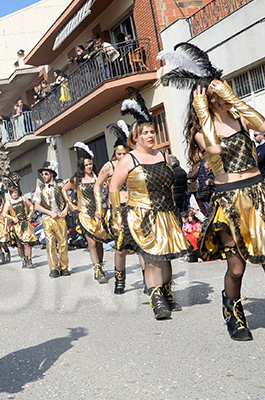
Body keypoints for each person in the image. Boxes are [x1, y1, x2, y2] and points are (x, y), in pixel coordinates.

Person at [167, 42, 265, 355]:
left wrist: (234, 98)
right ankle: (231, 309)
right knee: (236, 267)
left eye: (224, 93)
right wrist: (204, 109)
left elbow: (263, 125)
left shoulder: (241, 118)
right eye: (216, 96)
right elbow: (215, 148)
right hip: (229, 200)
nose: (222, 98)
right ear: (207, 99)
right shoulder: (200, 131)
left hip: (258, 193)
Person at [110, 89, 189, 320]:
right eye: (145, 133)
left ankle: (167, 292)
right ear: (135, 137)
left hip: (166, 211)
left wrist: (177, 210)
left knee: (166, 256)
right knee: (153, 258)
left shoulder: (164, 156)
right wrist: (116, 215)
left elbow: (171, 185)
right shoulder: (128, 159)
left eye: (152, 131)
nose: (151, 135)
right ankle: (156, 299)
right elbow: (114, 188)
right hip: (141, 214)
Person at [95, 121, 133, 294]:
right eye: (118, 153)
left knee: (141, 246)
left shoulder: (133, 163)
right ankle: (120, 281)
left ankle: (149, 281)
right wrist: (99, 207)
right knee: (120, 247)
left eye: (124, 153)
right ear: (114, 154)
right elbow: (97, 186)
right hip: (116, 210)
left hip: (134, 207)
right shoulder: (108, 167)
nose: (121, 156)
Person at [64, 143, 110, 283]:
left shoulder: (98, 177)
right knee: (91, 242)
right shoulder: (77, 179)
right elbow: (64, 190)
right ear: (81, 167)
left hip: (98, 212)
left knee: (100, 240)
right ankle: (97, 268)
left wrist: (106, 189)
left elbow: (105, 193)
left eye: (90, 164)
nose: (89, 167)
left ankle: (100, 264)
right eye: (86, 165)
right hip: (84, 213)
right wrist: (72, 205)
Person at [33, 162, 70, 277]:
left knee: (63, 243)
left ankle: (64, 267)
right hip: (47, 219)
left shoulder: (61, 184)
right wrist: (49, 213)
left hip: (60, 217)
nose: (43, 176)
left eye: (46, 174)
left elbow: (68, 199)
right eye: (42, 174)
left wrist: (65, 210)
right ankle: (53, 268)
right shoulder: (40, 188)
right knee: (50, 244)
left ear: (51, 174)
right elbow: (37, 206)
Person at [2, 183, 38, 268]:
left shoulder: (23, 198)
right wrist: (12, 218)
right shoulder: (8, 202)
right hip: (16, 225)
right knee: (19, 245)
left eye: (16, 192)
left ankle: (29, 260)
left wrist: (30, 216)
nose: (14, 194)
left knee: (27, 243)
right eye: (13, 193)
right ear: (10, 194)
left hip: (25, 223)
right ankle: (23, 259)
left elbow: (31, 206)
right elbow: (4, 213)